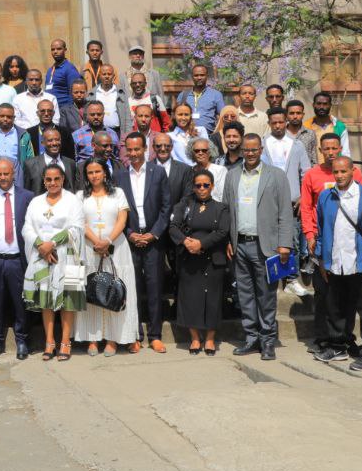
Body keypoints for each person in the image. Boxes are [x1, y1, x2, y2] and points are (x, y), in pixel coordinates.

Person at [224, 134, 294, 361]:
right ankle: (251, 337)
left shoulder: (276, 176)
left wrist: (285, 244)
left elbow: (285, 212)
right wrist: (227, 240)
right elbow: (227, 210)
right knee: (245, 294)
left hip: (266, 246)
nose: (250, 153)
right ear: (242, 150)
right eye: (247, 150)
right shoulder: (233, 176)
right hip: (240, 244)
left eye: (254, 150)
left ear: (261, 149)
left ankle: (267, 340)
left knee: (266, 295)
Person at [313, 156, 362, 369]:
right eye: (336, 172)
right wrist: (321, 260)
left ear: (353, 171)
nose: (340, 176)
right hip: (334, 262)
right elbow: (320, 231)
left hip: (361, 263)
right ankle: (338, 346)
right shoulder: (326, 197)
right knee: (335, 307)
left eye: (343, 171)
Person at [301, 132, 362, 343]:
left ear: (340, 148)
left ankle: (346, 337)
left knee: (347, 295)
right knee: (323, 293)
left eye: (334, 148)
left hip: (348, 244)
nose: (330, 152)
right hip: (322, 244)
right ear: (320, 150)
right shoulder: (312, 175)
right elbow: (306, 208)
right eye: (326, 149)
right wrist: (310, 235)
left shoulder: (354, 172)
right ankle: (322, 339)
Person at [74, 159, 139, 355]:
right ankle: (93, 339)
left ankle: (112, 339)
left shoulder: (117, 193)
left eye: (98, 171)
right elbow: (80, 221)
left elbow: (122, 218)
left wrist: (108, 241)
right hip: (89, 248)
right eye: (90, 172)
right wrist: (97, 242)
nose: (94, 176)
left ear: (105, 173)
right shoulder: (80, 196)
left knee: (113, 290)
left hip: (116, 248)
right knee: (92, 290)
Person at [115, 132, 172, 353]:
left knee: (155, 288)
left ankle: (155, 335)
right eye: (130, 150)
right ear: (126, 151)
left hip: (153, 240)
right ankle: (135, 335)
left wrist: (153, 234)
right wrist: (129, 233)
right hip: (130, 240)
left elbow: (166, 208)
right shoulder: (119, 176)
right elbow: (117, 209)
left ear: (145, 149)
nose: (134, 154)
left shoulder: (157, 173)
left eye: (138, 149)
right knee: (133, 289)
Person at [22, 163, 86, 360]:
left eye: (56, 179)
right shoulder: (36, 202)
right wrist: (41, 245)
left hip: (67, 257)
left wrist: (53, 244)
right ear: (43, 181)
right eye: (48, 179)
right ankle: (49, 342)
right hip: (42, 257)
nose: (52, 183)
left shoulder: (72, 200)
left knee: (67, 301)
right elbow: (27, 228)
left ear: (63, 179)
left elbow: (76, 228)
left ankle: (65, 342)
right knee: (46, 301)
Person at [168, 170, 231, 355]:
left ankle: (210, 339)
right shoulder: (185, 204)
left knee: (212, 299)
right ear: (193, 187)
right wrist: (186, 242)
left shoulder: (222, 208)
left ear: (212, 186)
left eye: (205, 185)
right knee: (190, 299)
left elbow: (222, 231)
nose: (202, 189)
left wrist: (201, 244)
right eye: (198, 185)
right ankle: (195, 338)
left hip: (212, 259)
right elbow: (173, 226)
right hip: (189, 258)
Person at [0, 159, 32, 360]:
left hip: (17, 259)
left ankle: (22, 340)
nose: (3, 178)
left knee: (21, 302)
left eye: (6, 174)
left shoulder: (27, 197)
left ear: (13, 174)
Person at [21, 125, 79, 195]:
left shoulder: (70, 163)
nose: (54, 143)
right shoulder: (30, 165)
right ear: (43, 143)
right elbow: (26, 192)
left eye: (57, 140)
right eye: (50, 140)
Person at [176, 64, 225, 133]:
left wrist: (218, 133)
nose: (199, 78)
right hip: (186, 135)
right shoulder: (183, 95)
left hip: (208, 137)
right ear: (192, 77)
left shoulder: (216, 95)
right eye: (196, 75)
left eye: (202, 75)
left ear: (207, 76)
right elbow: (176, 115)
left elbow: (223, 116)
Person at [85, 64, 131, 137]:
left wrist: (127, 135)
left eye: (109, 74)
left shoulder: (121, 93)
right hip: (97, 132)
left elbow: (127, 117)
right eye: (104, 74)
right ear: (100, 75)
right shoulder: (92, 94)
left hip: (117, 132)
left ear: (113, 76)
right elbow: (86, 116)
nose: (107, 76)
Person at [150, 132, 192, 209]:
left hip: (176, 218)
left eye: (167, 146)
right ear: (153, 147)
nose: (163, 149)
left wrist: (176, 214)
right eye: (158, 146)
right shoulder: (146, 169)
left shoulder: (185, 170)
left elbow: (187, 196)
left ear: (172, 147)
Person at [308, 91, 351, 162]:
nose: (321, 107)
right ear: (313, 105)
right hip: (313, 170)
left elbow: (345, 152)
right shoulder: (306, 126)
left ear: (330, 106)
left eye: (325, 104)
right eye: (318, 104)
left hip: (335, 169)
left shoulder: (339, 127)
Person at [43, 39, 83, 108]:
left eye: (59, 49)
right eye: (53, 49)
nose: (55, 52)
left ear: (65, 50)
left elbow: (74, 92)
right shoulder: (50, 70)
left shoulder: (70, 69)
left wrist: (69, 111)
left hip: (64, 111)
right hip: (50, 111)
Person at [284, 99, 319, 163]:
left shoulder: (310, 133)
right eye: (291, 113)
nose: (295, 116)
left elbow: (314, 159)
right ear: (286, 115)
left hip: (306, 172)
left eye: (298, 113)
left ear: (303, 114)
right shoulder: (281, 134)